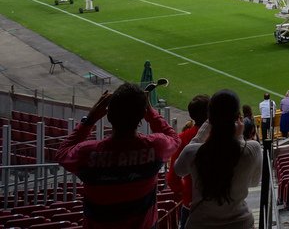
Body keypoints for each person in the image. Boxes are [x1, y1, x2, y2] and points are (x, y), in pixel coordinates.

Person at [56, 83, 180, 229]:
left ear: (108, 114)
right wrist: (150, 112)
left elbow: (62, 153)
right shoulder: (156, 147)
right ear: (142, 115)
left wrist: (90, 119)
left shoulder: (88, 153)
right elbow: (174, 138)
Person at [174, 89, 262, 229]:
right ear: (238, 118)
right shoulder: (253, 149)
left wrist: (199, 136)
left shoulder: (194, 151)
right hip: (241, 224)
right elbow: (253, 182)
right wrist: (239, 137)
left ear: (209, 119)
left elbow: (179, 170)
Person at [168, 94, 210, 229]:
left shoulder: (182, 138)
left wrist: (184, 192)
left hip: (190, 202)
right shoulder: (222, 135)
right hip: (220, 203)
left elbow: (173, 178)